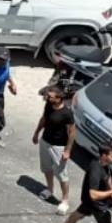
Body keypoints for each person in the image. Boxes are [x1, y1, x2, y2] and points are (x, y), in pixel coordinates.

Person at [34, 85, 77, 213]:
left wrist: (67, 150)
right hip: (45, 141)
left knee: (61, 174)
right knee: (46, 168)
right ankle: (50, 189)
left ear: (58, 98)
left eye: (50, 97)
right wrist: (36, 133)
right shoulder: (48, 105)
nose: (47, 98)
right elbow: (43, 119)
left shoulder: (67, 113)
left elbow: (72, 132)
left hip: (58, 146)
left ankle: (65, 200)